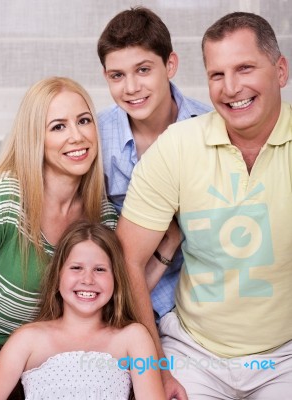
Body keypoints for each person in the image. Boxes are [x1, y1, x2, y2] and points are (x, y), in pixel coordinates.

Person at [116, 11, 292, 400]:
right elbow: (127, 257)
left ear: (280, 71)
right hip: (194, 353)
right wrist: (158, 368)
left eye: (245, 68)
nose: (231, 88)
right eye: (217, 75)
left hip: (284, 357)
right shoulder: (177, 146)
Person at [0, 77, 117, 398]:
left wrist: (168, 246)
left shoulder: (101, 216)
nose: (77, 136)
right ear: (37, 138)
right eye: (58, 127)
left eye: (84, 120)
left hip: (44, 371)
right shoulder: (9, 199)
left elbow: (127, 287)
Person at [97, 6, 212, 320]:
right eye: (117, 76)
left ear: (170, 64)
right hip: (130, 299)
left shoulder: (210, 127)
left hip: (202, 299)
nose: (131, 87)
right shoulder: (94, 136)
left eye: (143, 70)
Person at [0, 221, 166, 400]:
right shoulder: (27, 339)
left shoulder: (133, 338)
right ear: (58, 274)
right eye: (76, 268)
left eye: (100, 269)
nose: (88, 279)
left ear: (115, 277)